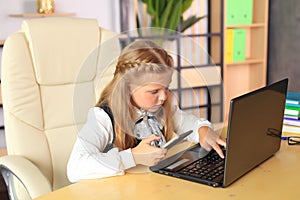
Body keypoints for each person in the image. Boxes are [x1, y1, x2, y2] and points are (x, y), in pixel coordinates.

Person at [67, 40, 226, 182]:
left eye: (166, 88)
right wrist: (133, 157)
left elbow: (187, 123)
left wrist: (202, 130)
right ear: (128, 87)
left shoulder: (158, 108)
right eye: (154, 91)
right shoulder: (103, 117)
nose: (164, 96)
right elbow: (75, 167)